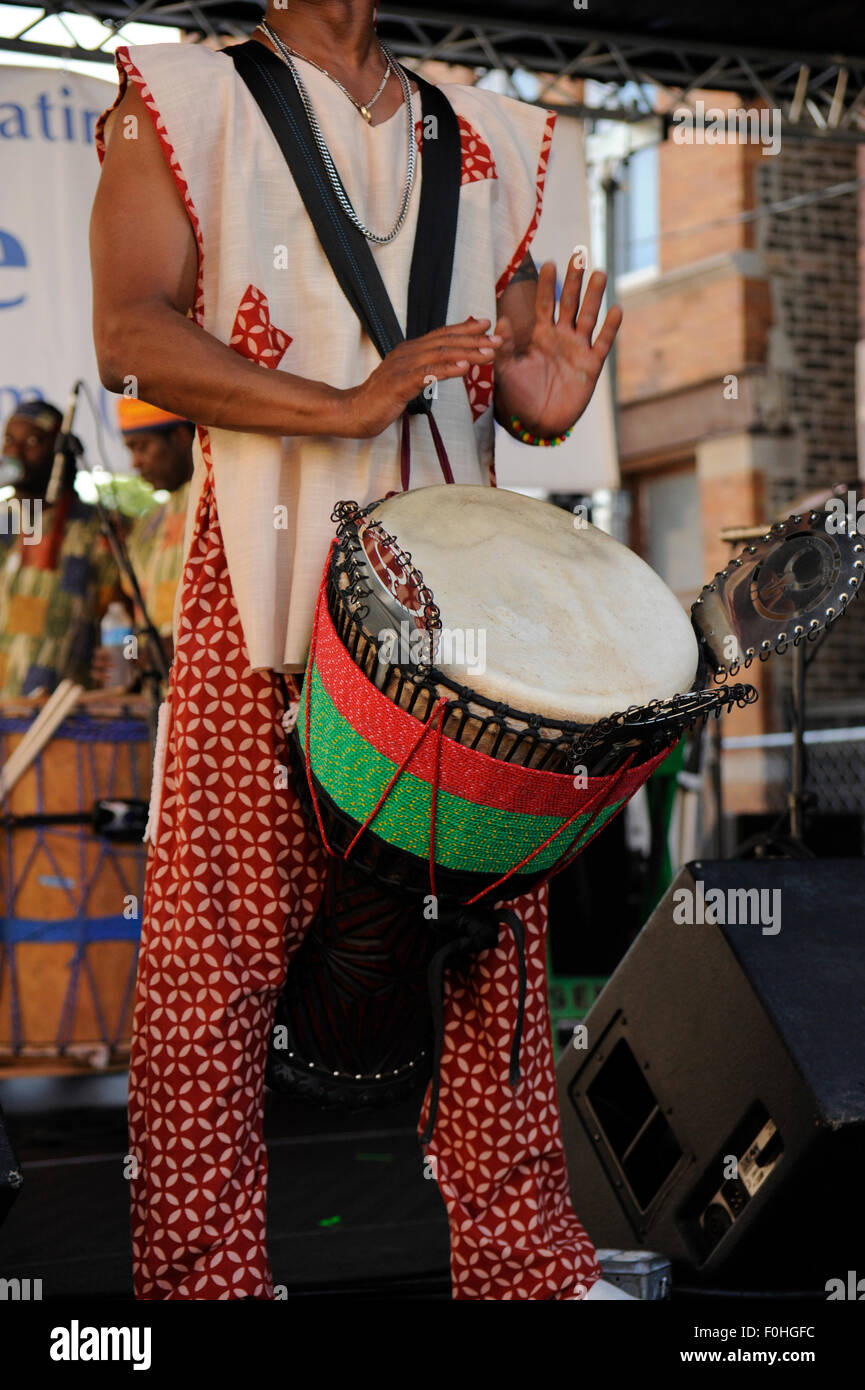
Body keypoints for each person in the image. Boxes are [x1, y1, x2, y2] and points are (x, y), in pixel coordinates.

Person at [90, 0, 622, 1302]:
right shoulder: (182, 103)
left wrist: (543, 414)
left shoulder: (485, 136)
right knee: (216, 952)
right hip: (266, 588)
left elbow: (505, 376)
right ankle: (202, 1277)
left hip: (459, 604)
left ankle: (523, 1265)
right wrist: (341, 403)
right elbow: (130, 333)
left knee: (491, 933)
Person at [0, 399, 120, 698]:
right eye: (8, 440)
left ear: (60, 452)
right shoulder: (5, 523)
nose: (15, 452)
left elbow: (121, 616)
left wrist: (124, 657)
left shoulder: (97, 527)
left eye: (31, 442)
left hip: (69, 716)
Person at [117, 397, 192, 664]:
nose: (135, 463)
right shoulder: (146, 525)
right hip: (159, 697)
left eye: (142, 447)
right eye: (131, 451)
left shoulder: (219, 506)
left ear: (182, 437)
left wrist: (180, 646)